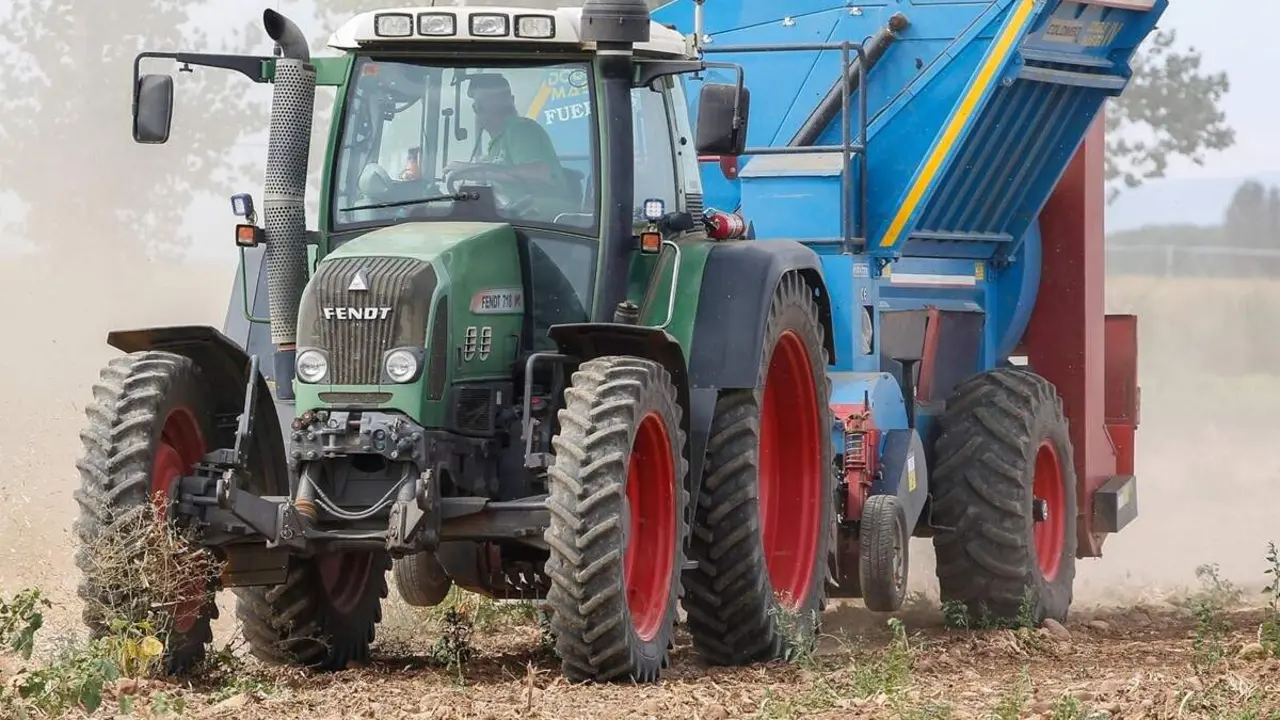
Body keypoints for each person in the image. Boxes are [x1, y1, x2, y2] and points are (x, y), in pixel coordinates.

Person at [445, 73, 576, 214]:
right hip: (518, 213)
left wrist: (479, 171)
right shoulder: (496, 143)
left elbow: (540, 174)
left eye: (481, 105)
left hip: (544, 218)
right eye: (477, 106)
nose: (478, 110)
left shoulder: (520, 129)